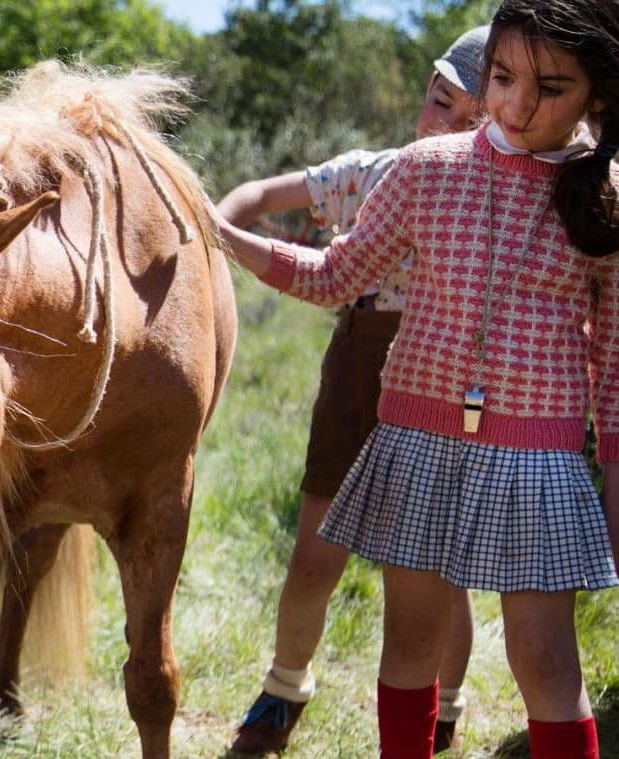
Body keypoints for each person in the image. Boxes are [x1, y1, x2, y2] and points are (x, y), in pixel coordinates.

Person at [215, 0, 619, 755]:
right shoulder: (425, 169)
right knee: (409, 642)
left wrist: (617, 485)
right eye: (502, 78)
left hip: (539, 458)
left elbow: (616, 370)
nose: (516, 105)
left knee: (545, 658)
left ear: (598, 93)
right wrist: (227, 237)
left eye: (550, 88)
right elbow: (336, 275)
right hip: (417, 441)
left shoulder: (606, 197)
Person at [221, 27, 488, 755]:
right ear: (424, 92)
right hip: (357, 368)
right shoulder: (372, 175)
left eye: (470, 121)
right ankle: (282, 691)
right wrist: (217, 226)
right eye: (440, 101)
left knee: (442, 570)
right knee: (315, 552)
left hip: (444, 379)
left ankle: (444, 708)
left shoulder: (492, 203)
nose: (444, 125)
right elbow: (261, 194)